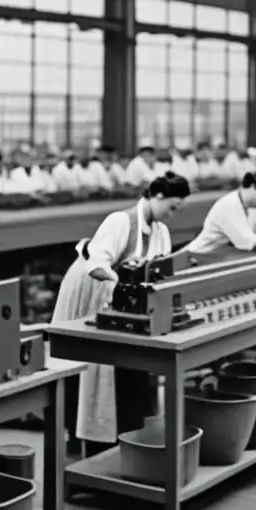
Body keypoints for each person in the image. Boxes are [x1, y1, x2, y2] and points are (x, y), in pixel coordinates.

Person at [50, 172, 191, 450]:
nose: (173, 214)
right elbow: (97, 263)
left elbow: (157, 271)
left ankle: (121, 431)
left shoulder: (161, 231)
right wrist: (118, 281)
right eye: (172, 206)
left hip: (119, 297)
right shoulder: (121, 221)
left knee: (116, 370)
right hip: (91, 290)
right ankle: (81, 436)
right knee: (89, 366)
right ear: (157, 196)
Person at [185, 171, 256, 256]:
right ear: (252, 187)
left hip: (218, 253)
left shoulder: (246, 206)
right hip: (199, 255)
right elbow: (248, 242)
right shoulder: (230, 204)